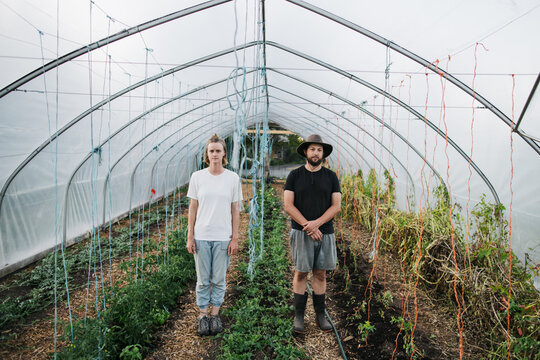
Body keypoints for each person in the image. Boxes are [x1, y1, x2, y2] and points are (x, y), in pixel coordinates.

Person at [283, 134, 341, 334]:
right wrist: (308, 226)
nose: (316, 153)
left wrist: (317, 224)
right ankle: (299, 316)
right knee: (301, 272)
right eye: (312, 149)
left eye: (319, 150)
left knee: (321, 273)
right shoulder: (294, 176)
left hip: (325, 232)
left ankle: (320, 315)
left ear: (323, 154)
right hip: (301, 232)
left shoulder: (331, 177)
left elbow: (336, 206)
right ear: (306, 152)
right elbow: (288, 205)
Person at [186, 134, 242, 336]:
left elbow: (235, 209)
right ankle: (203, 316)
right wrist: (190, 236)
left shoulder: (232, 178)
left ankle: (215, 314)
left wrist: (235, 237)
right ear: (207, 154)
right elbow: (193, 207)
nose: (215, 154)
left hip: (222, 237)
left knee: (218, 279)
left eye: (218, 150)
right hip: (201, 236)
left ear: (224, 153)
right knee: (202, 280)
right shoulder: (197, 177)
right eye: (212, 151)